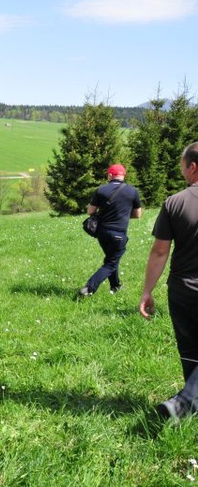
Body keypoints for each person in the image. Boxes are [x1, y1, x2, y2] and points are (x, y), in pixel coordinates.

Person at [139, 142, 198, 421]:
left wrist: (147, 291)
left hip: (182, 289)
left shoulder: (174, 202)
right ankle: (186, 403)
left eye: (182, 165)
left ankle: (187, 403)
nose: (181, 170)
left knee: (188, 347)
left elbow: (160, 251)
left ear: (193, 167)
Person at [78, 164, 142, 297]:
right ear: (123, 176)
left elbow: (90, 211)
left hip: (102, 233)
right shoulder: (132, 191)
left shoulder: (101, 190)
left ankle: (115, 286)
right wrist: (122, 214)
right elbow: (137, 215)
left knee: (112, 259)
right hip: (118, 234)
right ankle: (89, 288)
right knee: (110, 263)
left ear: (110, 175)